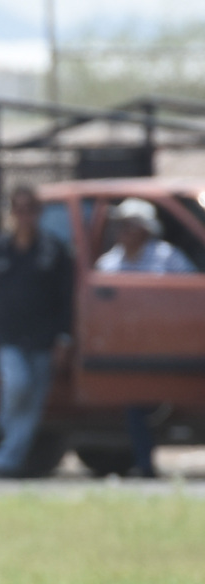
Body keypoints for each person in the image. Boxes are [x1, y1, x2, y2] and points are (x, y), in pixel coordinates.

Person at [94, 197, 195, 477]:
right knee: (134, 402)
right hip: (129, 350)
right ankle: (144, 464)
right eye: (120, 225)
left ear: (145, 229)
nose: (121, 231)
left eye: (128, 225)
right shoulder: (109, 263)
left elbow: (191, 297)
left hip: (168, 346)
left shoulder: (167, 258)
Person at [0, 185, 74, 478]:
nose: (25, 216)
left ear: (39, 212)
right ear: (11, 213)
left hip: (43, 337)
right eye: (19, 210)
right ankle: (6, 452)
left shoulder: (54, 250)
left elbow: (65, 298)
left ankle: (6, 461)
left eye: (30, 210)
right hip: (9, 335)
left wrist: (63, 338)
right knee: (17, 385)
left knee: (33, 404)